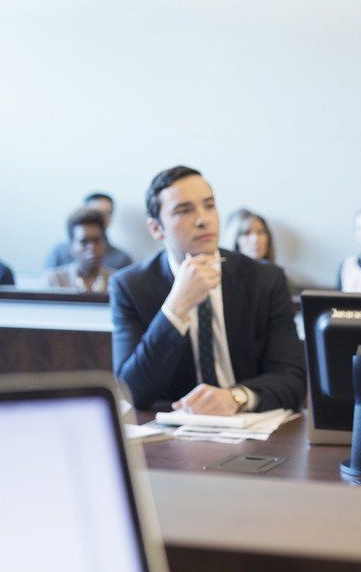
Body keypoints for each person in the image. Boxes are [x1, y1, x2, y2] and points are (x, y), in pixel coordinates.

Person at [110, 166, 305, 413]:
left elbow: (293, 379)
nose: (204, 220)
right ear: (156, 228)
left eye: (209, 206)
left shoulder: (264, 279)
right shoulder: (131, 286)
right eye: (184, 210)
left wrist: (237, 397)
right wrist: (176, 307)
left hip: (250, 424)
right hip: (174, 426)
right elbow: (131, 392)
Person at [45, 192, 133, 271]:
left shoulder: (121, 259)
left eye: (107, 214)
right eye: (96, 212)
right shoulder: (59, 253)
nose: (101, 218)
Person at [44, 207, 113, 292]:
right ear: (71, 246)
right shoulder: (54, 280)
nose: (92, 248)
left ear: (104, 243)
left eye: (97, 241)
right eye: (84, 242)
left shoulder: (116, 281)